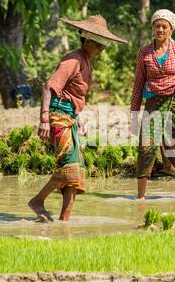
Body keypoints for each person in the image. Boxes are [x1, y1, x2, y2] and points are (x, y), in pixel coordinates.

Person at [28, 15, 127, 222]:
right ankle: (37, 201)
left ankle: (65, 221)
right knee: (70, 168)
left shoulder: (86, 62)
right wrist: (44, 119)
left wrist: (78, 117)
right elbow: (48, 87)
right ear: (87, 40)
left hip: (70, 118)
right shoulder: (72, 60)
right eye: (98, 45)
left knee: (76, 174)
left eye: (104, 46)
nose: (101, 50)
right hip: (58, 117)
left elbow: (75, 95)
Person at [130, 9, 175, 200]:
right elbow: (138, 82)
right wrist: (134, 113)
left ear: (171, 29)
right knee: (146, 147)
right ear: (152, 28)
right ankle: (141, 197)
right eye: (157, 26)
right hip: (153, 105)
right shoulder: (144, 52)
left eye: (164, 26)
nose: (160, 29)